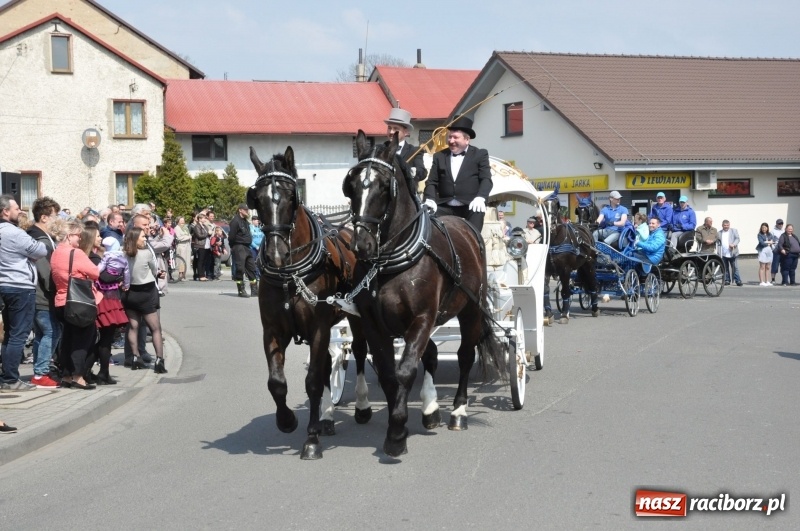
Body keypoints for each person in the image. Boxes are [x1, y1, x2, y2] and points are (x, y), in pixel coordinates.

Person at [0, 195, 48, 392]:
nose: (20, 211)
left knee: (10, 334)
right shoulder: (14, 233)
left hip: (4, 285)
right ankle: (10, 379)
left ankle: (6, 377)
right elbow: (41, 250)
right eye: (16, 208)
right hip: (20, 287)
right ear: (5, 211)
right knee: (18, 335)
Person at [50, 219, 100, 390]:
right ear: (70, 235)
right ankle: (78, 376)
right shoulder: (75, 253)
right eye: (78, 235)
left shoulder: (56, 252)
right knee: (82, 340)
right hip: (78, 303)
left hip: (61, 301)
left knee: (68, 340)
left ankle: (65, 375)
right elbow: (95, 272)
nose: (80, 239)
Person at [423, 116, 493, 232]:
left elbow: (486, 179)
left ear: (467, 139)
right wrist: (430, 198)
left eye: (455, 137)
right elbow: (432, 182)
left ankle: (478, 248)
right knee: (428, 226)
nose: (451, 141)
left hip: (470, 206)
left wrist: (481, 197)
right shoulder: (439, 156)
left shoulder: (480, 154)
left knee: (474, 235)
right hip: (444, 206)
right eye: (450, 137)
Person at [26, 196, 62, 388]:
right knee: (51, 331)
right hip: (42, 295)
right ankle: (40, 374)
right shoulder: (39, 238)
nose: (58, 219)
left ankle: (39, 372)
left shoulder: (42, 236)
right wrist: (54, 289)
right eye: (55, 215)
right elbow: (44, 269)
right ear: (44, 217)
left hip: (40, 294)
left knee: (43, 333)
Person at [121, 227, 167, 373]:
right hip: (146, 292)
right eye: (143, 237)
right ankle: (159, 361)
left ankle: (135, 357)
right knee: (155, 328)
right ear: (135, 239)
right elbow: (154, 271)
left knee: (133, 327)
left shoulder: (124, 254)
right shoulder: (146, 253)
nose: (145, 239)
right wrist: (159, 274)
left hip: (130, 294)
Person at [89, 237, 130, 384]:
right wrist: (120, 277)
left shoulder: (104, 256)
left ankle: (99, 372)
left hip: (108, 297)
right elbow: (104, 276)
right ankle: (95, 372)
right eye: (97, 236)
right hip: (105, 298)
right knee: (105, 339)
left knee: (106, 338)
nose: (99, 239)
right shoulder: (94, 256)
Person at [384, 107, 427, 183]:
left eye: (395, 129)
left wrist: (410, 171)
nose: (391, 132)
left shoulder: (414, 151)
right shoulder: (380, 149)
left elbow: (422, 172)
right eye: (389, 128)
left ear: (406, 132)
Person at [229, 203, 258, 297]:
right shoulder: (235, 221)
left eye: (247, 210)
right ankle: (241, 290)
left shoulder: (245, 221)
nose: (247, 211)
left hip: (247, 247)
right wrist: (233, 246)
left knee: (252, 268)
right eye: (245, 210)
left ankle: (254, 290)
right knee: (240, 268)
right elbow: (231, 236)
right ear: (240, 210)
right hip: (239, 246)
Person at [719, 220, 742, 286]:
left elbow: (737, 239)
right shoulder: (719, 233)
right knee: (725, 267)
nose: (726, 227)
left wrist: (733, 244)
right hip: (723, 253)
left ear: (729, 225)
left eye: (727, 225)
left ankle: (738, 280)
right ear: (722, 225)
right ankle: (727, 280)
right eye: (725, 225)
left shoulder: (734, 231)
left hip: (732, 253)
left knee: (735, 267)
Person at [191, 212, 210, 281]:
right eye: (204, 218)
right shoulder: (197, 226)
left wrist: (209, 234)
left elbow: (207, 233)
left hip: (206, 245)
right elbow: (199, 235)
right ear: (200, 219)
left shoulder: (204, 226)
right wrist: (207, 234)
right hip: (200, 245)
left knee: (204, 260)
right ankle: (200, 275)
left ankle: (203, 274)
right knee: (200, 260)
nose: (205, 219)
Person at [174, 216, 192, 281]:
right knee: (181, 261)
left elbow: (189, 235)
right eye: (181, 221)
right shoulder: (177, 228)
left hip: (187, 245)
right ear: (178, 221)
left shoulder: (185, 228)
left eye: (183, 221)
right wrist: (187, 237)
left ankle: (184, 274)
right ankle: (180, 274)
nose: (182, 222)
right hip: (181, 246)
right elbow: (179, 237)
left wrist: (188, 237)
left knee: (186, 260)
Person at [770, 219, 785, 283]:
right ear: (776, 224)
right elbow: (770, 240)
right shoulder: (773, 231)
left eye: (781, 223)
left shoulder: (784, 231)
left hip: (783, 250)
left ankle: (784, 280)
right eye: (779, 223)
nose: (780, 225)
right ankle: (773, 279)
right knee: (775, 265)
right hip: (776, 250)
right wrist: (773, 248)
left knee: (784, 265)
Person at [250, 215, 264, 280]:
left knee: (260, 261)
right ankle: (255, 274)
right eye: (256, 221)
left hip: (260, 248)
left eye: (258, 221)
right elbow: (250, 239)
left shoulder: (260, 228)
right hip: (253, 248)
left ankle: (259, 274)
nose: (257, 222)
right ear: (253, 221)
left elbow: (263, 237)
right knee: (254, 261)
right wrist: (256, 246)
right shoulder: (250, 228)